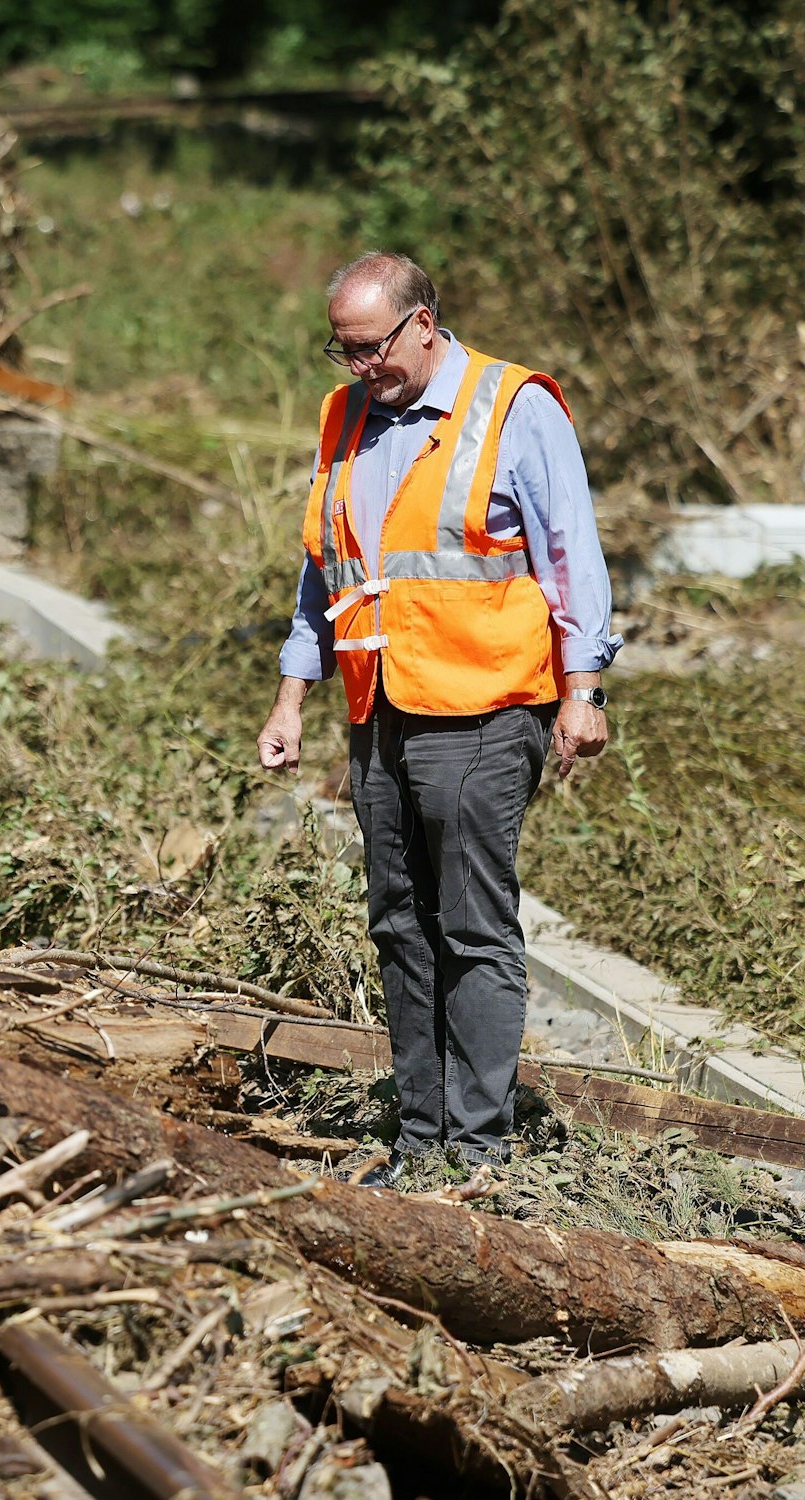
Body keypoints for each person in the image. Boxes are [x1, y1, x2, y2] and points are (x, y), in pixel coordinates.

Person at [256, 251, 619, 1186]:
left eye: (370, 348)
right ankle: (420, 1143)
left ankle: (478, 1152)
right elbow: (324, 572)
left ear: (422, 323)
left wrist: (583, 692)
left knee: (470, 926)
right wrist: (293, 694)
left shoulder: (513, 407)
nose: (359, 368)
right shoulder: (344, 417)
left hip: (485, 708)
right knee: (398, 924)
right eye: (342, 352)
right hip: (379, 711)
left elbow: (571, 554)